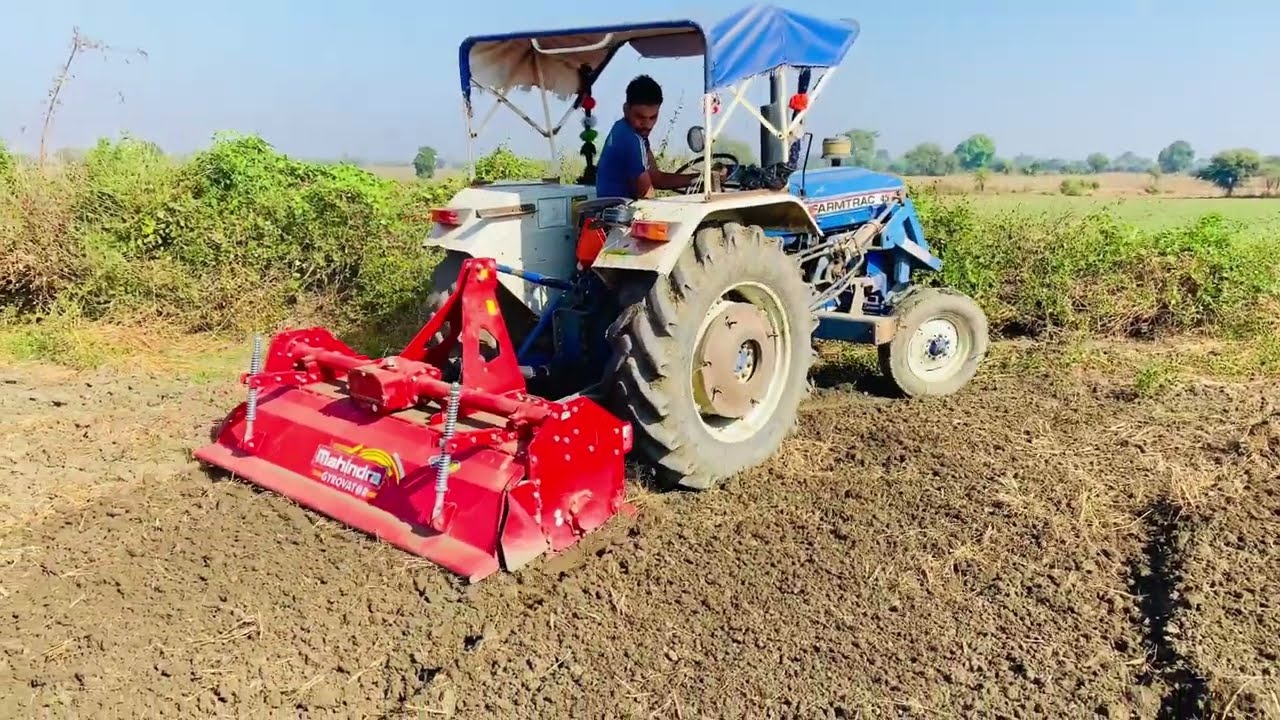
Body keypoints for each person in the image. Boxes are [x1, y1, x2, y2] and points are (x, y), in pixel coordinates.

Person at [595, 74, 723, 199]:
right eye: (640, 117)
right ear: (626, 109)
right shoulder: (632, 139)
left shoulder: (622, 129)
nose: (647, 124)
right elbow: (646, 193)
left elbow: (656, 178)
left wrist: (702, 178)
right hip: (619, 212)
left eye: (653, 117)